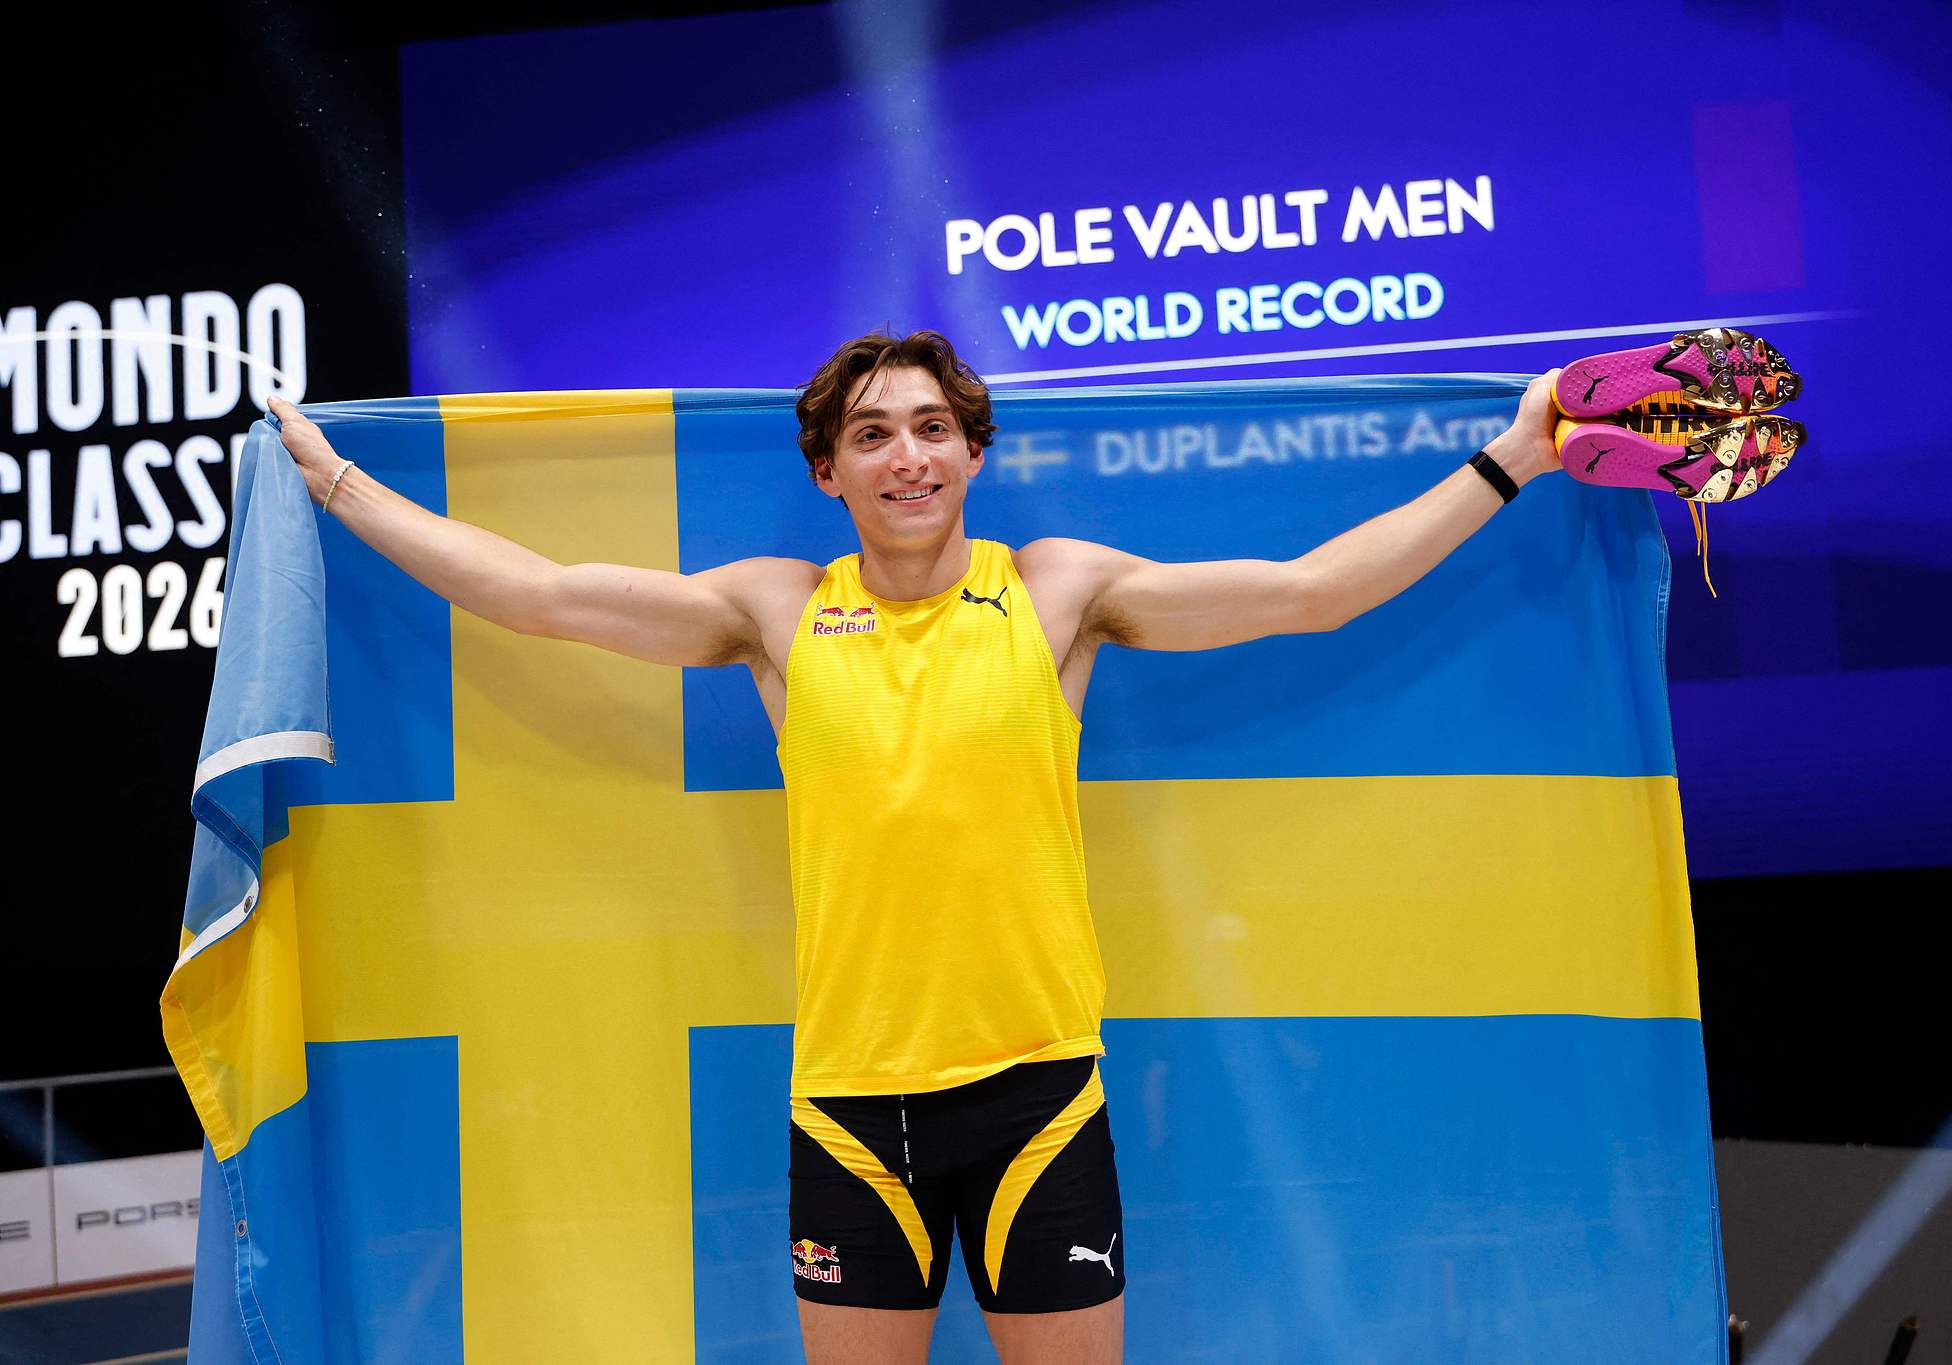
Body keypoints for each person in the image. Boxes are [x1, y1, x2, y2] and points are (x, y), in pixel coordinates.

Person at [269, 331, 1562, 1365]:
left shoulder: (1058, 589)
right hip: (849, 1109)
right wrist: (333, 482)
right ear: (829, 469)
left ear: (974, 452)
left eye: (932, 427)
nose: (907, 455)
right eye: (870, 432)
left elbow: (1312, 591)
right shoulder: (776, 609)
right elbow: (537, 596)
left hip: (1039, 1094)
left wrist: (1511, 459)